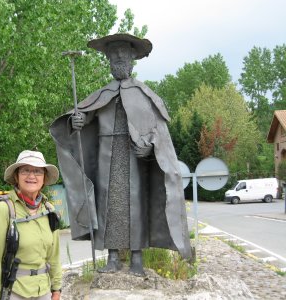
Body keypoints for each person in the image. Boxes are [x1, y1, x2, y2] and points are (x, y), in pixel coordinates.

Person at [50, 34, 192, 277]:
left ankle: (137, 258)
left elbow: (160, 132)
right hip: (107, 157)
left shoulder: (144, 95)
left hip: (134, 161)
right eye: (113, 58)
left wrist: (150, 146)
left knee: (136, 206)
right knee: (109, 207)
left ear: (132, 61)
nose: (117, 61)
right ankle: (113, 257)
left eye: (122, 57)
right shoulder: (102, 94)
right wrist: (77, 121)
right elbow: (83, 120)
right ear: (108, 62)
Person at [0, 150, 62, 300]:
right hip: (14, 291)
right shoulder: (3, 209)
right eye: (25, 170)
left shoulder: (49, 210)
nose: (31, 176)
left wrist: (56, 289)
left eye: (37, 171)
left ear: (44, 178)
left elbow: (54, 255)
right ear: (16, 176)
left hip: (43, 291)